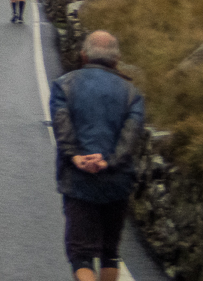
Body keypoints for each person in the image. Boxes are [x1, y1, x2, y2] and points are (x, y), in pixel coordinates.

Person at [50, 31, 145, 281]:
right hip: (117, 182)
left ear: (83, 55)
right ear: (117, 59)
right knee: (109, 252)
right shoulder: (132, 93)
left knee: (81, 255)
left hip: (78, 180)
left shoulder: (63, 85)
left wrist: (76, 157)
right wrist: (108, 161)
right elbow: (130, 137)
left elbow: (62, 126)